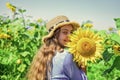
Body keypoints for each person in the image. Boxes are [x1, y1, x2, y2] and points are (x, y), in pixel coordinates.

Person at [26, 15, 87, 80]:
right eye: (65, 32)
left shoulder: (45, 55)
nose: (70, 36)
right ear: (55, 35)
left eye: (71, 32)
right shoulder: (66, 56)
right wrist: (83, 64)